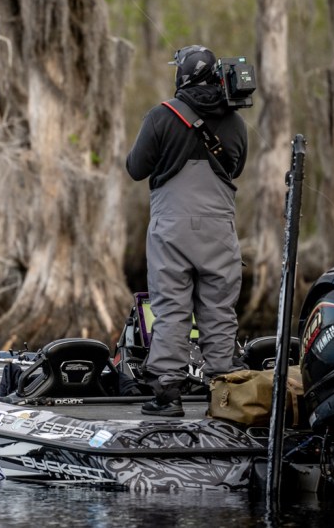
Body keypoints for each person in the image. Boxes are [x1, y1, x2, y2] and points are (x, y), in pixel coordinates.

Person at [125, 45, 248, 416]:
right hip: (218, 229)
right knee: (219, 310)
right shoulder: (236, 122)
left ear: (182, 75)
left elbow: (135, 168)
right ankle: (224, 398)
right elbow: (236, 169)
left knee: (171, 309)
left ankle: (167, 395)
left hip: (172, 229)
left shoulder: (161, 116)